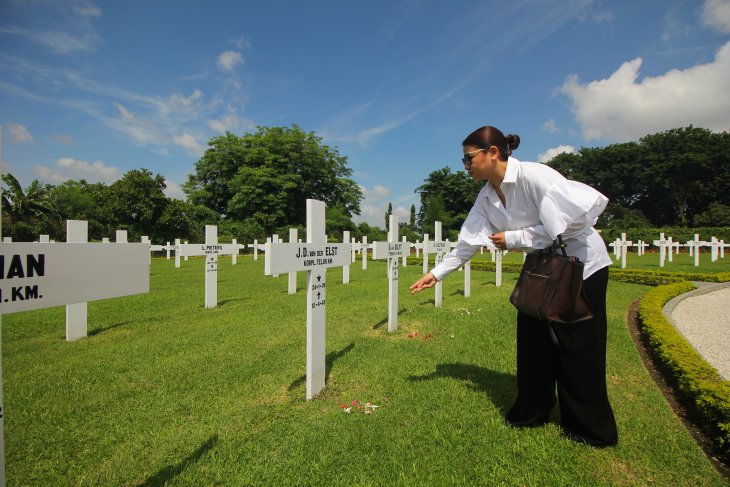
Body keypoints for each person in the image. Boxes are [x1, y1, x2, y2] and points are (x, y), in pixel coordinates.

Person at [409, 125, 618, 447]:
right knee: (533, 341)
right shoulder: (487, 196)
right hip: (542, 269)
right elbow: (467, 242)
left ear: (493, 152)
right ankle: (532, 411)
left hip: (581, 267)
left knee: (576, 347)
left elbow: (575, 223)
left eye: (469, 159)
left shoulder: (536, 176)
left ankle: (590, 428)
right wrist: (436, 274)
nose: (465, 166)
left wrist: (515, 239)